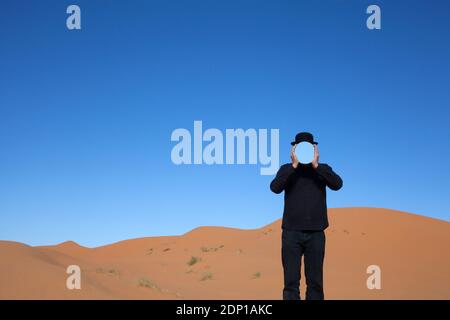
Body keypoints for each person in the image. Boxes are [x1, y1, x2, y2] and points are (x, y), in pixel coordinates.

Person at [270, 132, 343, 300]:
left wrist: (316, 165)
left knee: (315, 283)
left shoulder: (322, 169)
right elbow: (275, 187)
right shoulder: (286, 170)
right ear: (294, 149)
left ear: (314, 149)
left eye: (308, 148)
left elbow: (338, 184)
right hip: (291, 233)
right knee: (290, 283)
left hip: (316, 233)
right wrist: (293, 165)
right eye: (299, 148)